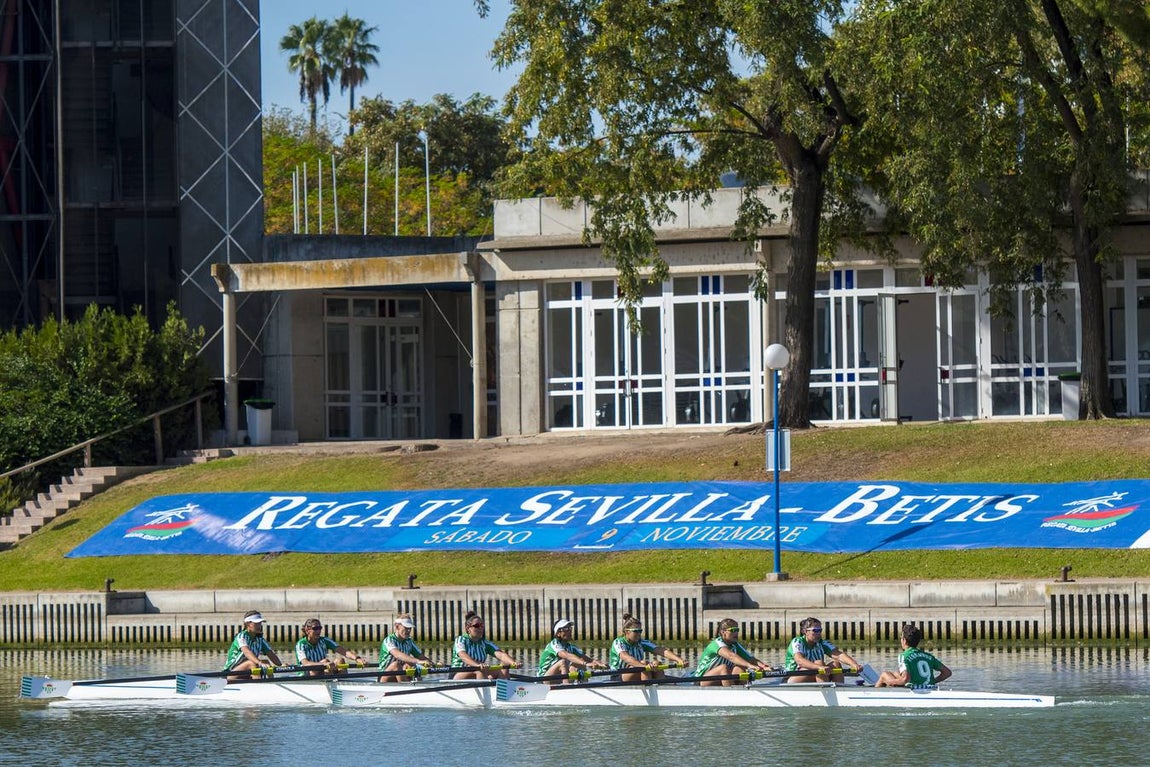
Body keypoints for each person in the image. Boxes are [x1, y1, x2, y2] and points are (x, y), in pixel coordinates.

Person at [693, 618, 774, 687]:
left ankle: (745, 692)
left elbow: (750, 659)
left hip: (720, 677)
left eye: (737, 630)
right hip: (701, 680)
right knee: (723, 668)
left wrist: (763, 666)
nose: (736, 633)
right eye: (733, 630)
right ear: (723, 632)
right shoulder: (716, 643)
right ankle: (732, 694)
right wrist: (750, 666)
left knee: (740, 667)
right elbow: (731, 656)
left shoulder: (735, 644)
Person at [609, 613, 687, 682]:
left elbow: (661, 650)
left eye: (640, 631)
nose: (639, 634)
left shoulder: (641, 642)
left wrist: (679, 660)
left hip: (639, 671)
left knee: (657, 664)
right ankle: (650, 689)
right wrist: (645, 666)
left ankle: (661, 691)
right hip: (618, 675)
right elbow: (626, 657)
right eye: (636, 631)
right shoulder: (618, 642)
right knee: (645, 663)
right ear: (626, 631)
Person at [784, 616, 863, 683]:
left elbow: (839, 655)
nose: (819, 633)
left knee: (836, 664)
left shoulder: (822, 643)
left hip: (815, 675)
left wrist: (854, 664)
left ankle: (840, 692)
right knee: (819, 663)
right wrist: (819, 667)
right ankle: (826, 691)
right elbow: (800, 661)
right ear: (805, 631)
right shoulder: (797, 642)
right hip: (792, 678)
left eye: (820, 630)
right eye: (815, 630)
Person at [876, 623, 952, 689]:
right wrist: (932, 681)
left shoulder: (903, 656)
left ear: (904, 640)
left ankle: (875, 695)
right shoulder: (928, 656)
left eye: (901, 638)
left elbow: (905, 679)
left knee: (884, 675)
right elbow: (947, 673)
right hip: (929, 687)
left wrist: (889, 682)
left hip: (915, 689)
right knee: (896, 674)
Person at [450, 611, 519, 679]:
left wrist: (514, 663)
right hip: (458, 673)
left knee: (504, 666)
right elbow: (463, 655)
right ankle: (486, 687)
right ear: (468, 629)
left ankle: (502, 688)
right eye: (477, 626)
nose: (480, 628)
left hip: (479, 670)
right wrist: (477, 665)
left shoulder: (485, 643)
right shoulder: (461, 640)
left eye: (482, 625)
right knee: (480, 670)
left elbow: (501, 655)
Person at [538, 619, 608, 683]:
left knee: (580, 661)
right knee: (563, 662)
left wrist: (600, 664)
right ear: (558, 633)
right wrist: (586, 664)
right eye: (566, 629)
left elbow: (588, 659)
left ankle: (583, 687)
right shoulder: (553, 644)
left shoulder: (571, 647)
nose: (570, 631)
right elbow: (566, 655)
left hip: (558, 678)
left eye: (570, 628)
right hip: (543, 680)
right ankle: (567, 688)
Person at [294, 617, 367, 676]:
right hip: (306, 674)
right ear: (307, 630)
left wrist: (357, 659)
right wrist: (323, 664)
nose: (318, 631)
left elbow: (343, 651)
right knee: (326, 662)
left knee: (340, 661)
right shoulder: (301, 644)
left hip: (323, 670)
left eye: (320, 628)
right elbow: (305, 663)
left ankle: (342, 684)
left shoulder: (324, 640)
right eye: (315, 629)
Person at [224, 610, 283, 678]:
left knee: (266, 662)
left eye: (260, 623)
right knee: (252, 663)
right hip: (229, 674)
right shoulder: (241, 637)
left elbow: (271, 653)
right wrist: (259, 663)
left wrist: (281, 665)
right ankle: (258, 685)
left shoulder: (260, 639)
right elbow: (247, 652)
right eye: (256, 623)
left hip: (246, 672)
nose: (259, 626)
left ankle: (271, 684)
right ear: (248, 624)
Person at [379, 613, 435, 682]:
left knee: (412, 665)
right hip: (384, 677)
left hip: (400, 675)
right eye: (406, 628)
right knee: (396, 665)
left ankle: (419, 687)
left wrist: (433, 664)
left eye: (410, 628)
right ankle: (408, 688)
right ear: (397, 627)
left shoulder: (409, 641)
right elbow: (398, 655)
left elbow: (421, 657)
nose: (408, 631)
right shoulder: (389, 640)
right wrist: (418, 661)